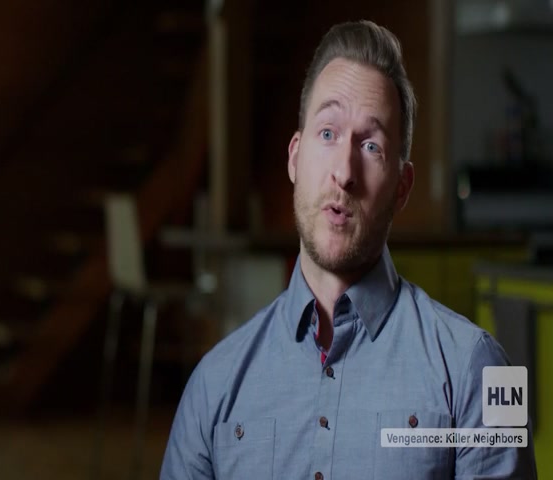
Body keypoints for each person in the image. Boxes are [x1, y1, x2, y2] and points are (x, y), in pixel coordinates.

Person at [160, 20, 537, 479]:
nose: (344, 171)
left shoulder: (484, 371)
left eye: (371, 145)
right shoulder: (212, 384)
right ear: (295, 157)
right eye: (327, 133)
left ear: (402, 187)